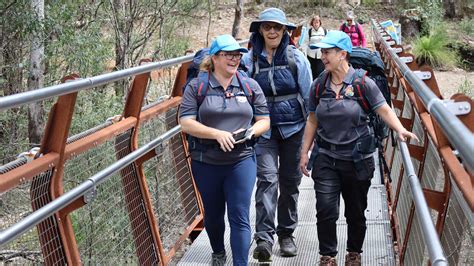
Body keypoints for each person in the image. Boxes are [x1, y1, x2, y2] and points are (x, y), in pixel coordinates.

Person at [299, 31, 418, 266]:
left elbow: (383, 109)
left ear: (343, 54)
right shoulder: (318, 85)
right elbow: (312, 119)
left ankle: (354, 253)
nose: (323, 56)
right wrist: (304, 152)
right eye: (322, 51)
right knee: (325, 210)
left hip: (357, 158)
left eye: (328, 51)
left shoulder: (363, 83)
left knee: (355, 211)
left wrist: (400, 129)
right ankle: (327, 256)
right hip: (326, 156)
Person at [179, 34, 270, 266]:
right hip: (206, 160)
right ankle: (218, 252)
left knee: (239, 215)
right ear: (215, 57)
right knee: (214, 213)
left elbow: (264, 120)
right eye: (228, 54)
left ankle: (240, 263)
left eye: (237, 55)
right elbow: (186, 122)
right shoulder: (197, 86)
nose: (234, 59)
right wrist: (216, 134)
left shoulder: (249, 85)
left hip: (241, 159)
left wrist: (251, 132)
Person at [240, 7, 313, 261]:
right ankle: (264, 238)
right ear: (260, 29)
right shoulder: (249, 61)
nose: (272, 31)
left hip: (294, 129)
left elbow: (309, 98)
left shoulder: (297, 59)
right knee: (267, 180)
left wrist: (310, 140)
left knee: (290, 182)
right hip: (264, 131)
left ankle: (286, 234)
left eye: (277, 27)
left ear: (285, 31)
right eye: (267, 27)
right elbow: (241, 96)